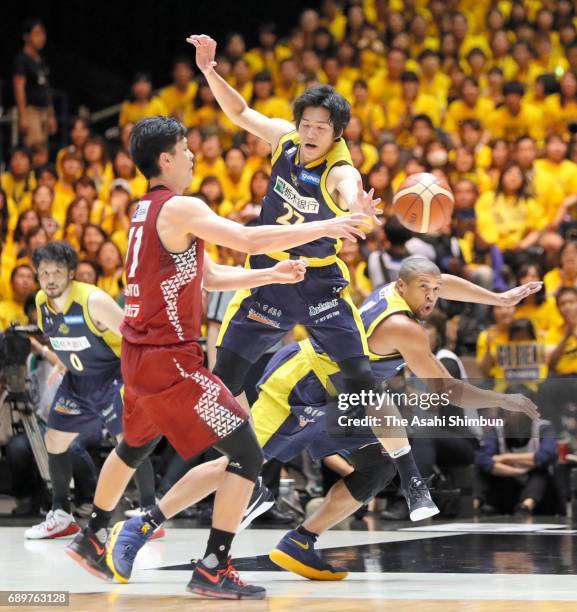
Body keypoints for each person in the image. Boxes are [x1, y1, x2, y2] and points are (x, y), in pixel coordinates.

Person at [66, 115, 367, 599]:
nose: (192, 156)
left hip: (139, 358)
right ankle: (213, 566)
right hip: (172, 362)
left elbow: (207, 274)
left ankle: (93, 534)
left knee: (133, 447)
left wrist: (268, 278)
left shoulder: (147, 212)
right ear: (165, 158)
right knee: (247, 454)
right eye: (185, 150)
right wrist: (328, 224)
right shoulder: (181, 206)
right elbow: (248, 240)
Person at [187, 34, 437, 514]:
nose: (310, 132)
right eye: (306, 123)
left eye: (321, 128)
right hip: (268, 279)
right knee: (222, 383)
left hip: (319, 284)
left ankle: (412, 480)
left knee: (362, 378)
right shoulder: (284, 141)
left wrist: (357, 204)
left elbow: (348, 188)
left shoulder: (339, 169)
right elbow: (241, 114)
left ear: (338, 134)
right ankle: (250, 472)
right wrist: (210, 72)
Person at [248, 257, 539, 580]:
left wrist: (498, 298)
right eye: (424, 289)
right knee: (237, 465)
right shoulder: (405, 328)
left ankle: (300, 542)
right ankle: (213, 558)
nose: (431, 296)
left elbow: (441, 281)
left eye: (435, 290)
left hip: (343, 394)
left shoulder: (398, 289)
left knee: (377, 468)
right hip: (305, 382)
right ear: (404, 286)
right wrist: (502, 400)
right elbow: (450, 390)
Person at [24, 242, 158, 540]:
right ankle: (61, 515)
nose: (50, 278)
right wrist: (61, 364)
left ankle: (150, 511)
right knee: (54, 439)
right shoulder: (41, 301)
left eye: (57, 271)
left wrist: (141, 379)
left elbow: (134, 336)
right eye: (44, 272)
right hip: (77, 381)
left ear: (71, 273)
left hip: (113, 376)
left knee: (130, 441)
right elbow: (62, 339)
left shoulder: (94, 300)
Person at [12, 19, 56, 147]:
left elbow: (46, 88)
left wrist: (51, 114)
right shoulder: (21, 59)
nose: (41, 38)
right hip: (31, 110)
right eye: (37, 33)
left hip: (44, 111)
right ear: (26, 37)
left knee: (44, 148)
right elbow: (19, 86)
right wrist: (23, 115)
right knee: (34, 148)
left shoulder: (41, 60)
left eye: (43, 34)